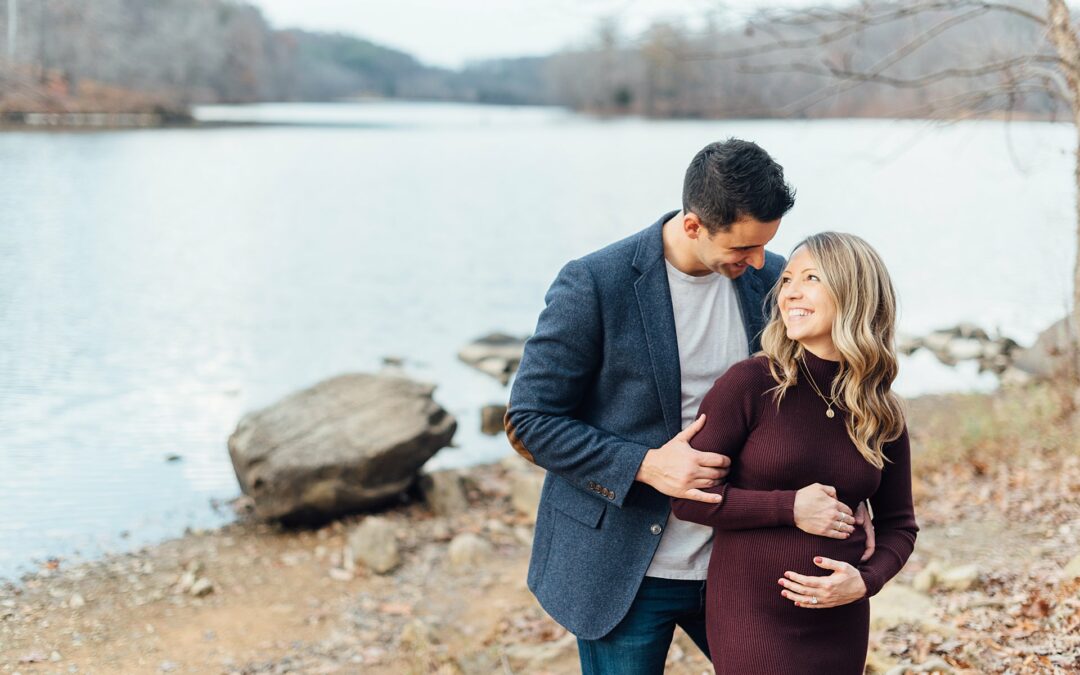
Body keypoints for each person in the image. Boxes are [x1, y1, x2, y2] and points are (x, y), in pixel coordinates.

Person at [504, 139, 875, 674]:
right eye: (742, 249)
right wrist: (647, 465)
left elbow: (820, 398)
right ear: (695, 225)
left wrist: (853, 492)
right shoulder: (594, 283)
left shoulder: (773, 281)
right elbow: (530, 420)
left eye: (764, 245)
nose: (758, 262)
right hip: (623, 570)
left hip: (746, 559)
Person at [670, 232, 919, 674]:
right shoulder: (749, 385)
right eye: (786, 280)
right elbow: (687, 497)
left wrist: (865, 582)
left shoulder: (879, 408)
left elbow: (899, 525)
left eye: (810, 279)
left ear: (853, 294)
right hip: (752, 616)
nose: (790, 293)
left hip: (840, 621)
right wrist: (789, 507)